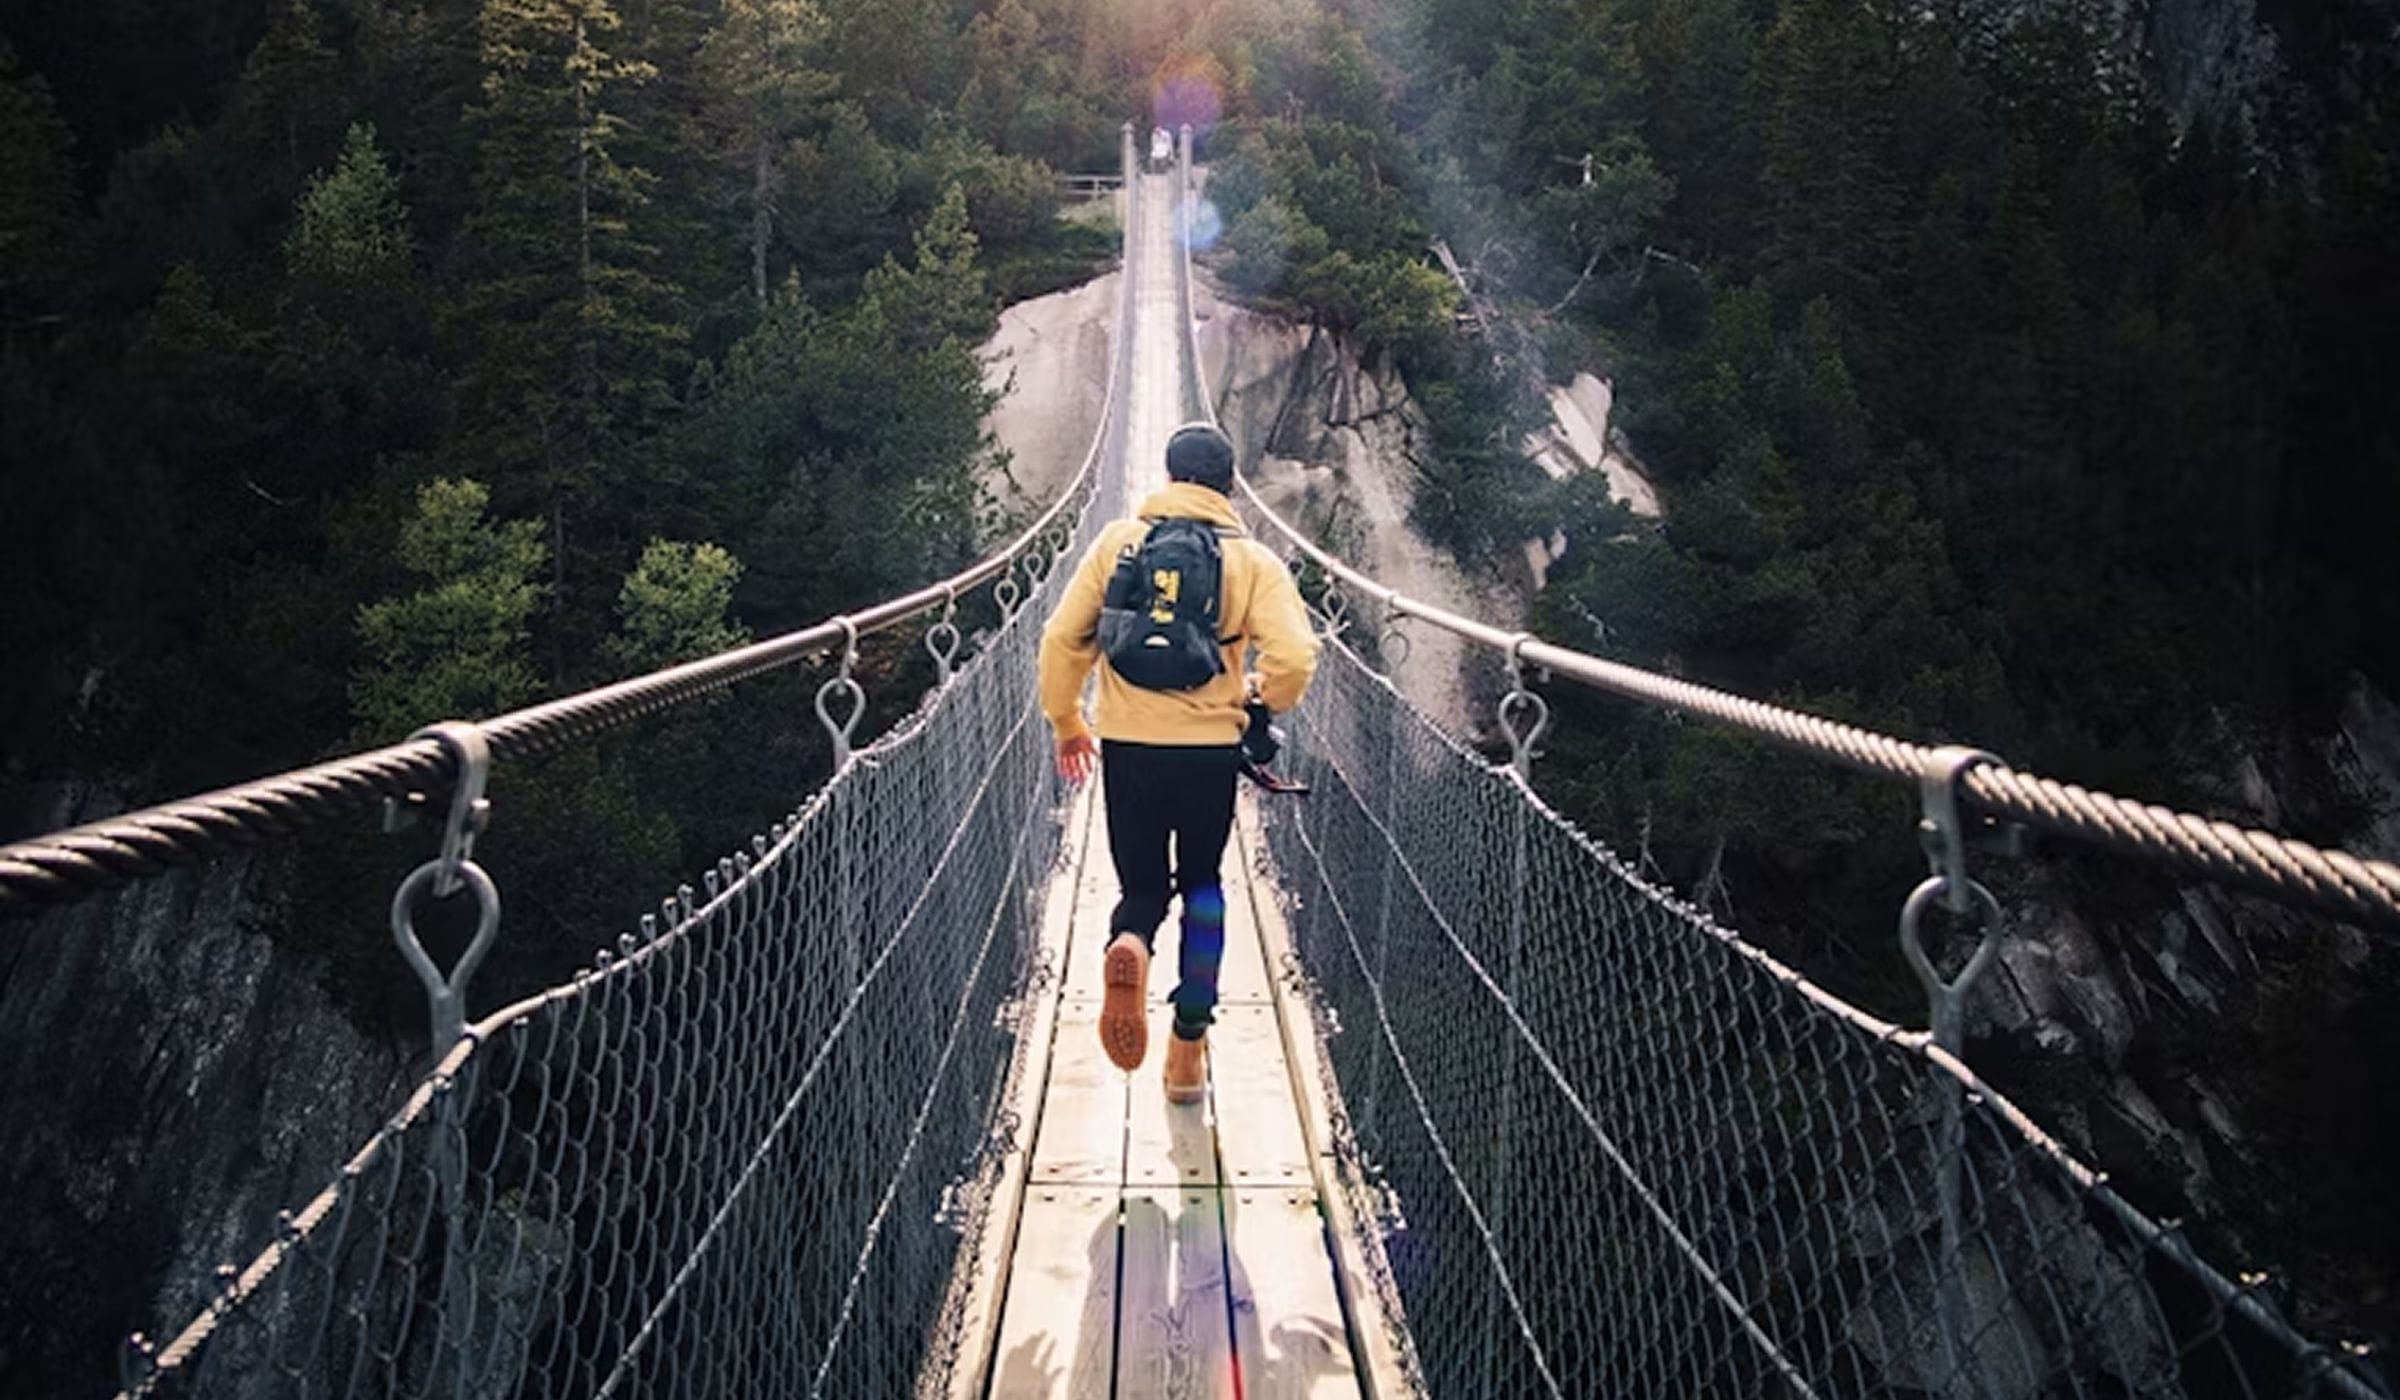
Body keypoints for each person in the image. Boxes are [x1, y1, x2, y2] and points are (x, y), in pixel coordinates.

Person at [1037, 423, 1319, 1103]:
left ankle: (1130, 939)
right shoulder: (1253, 562)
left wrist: (1068, 720)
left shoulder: (1116, 544)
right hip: (1208, 756)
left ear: (1167, 478)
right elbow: (1295, 659)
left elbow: (1061, 638)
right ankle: (1187, 1048)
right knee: (1203, 889)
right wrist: (1259, 698)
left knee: (1142, 886)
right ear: (1229, 485)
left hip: (1129, 748)